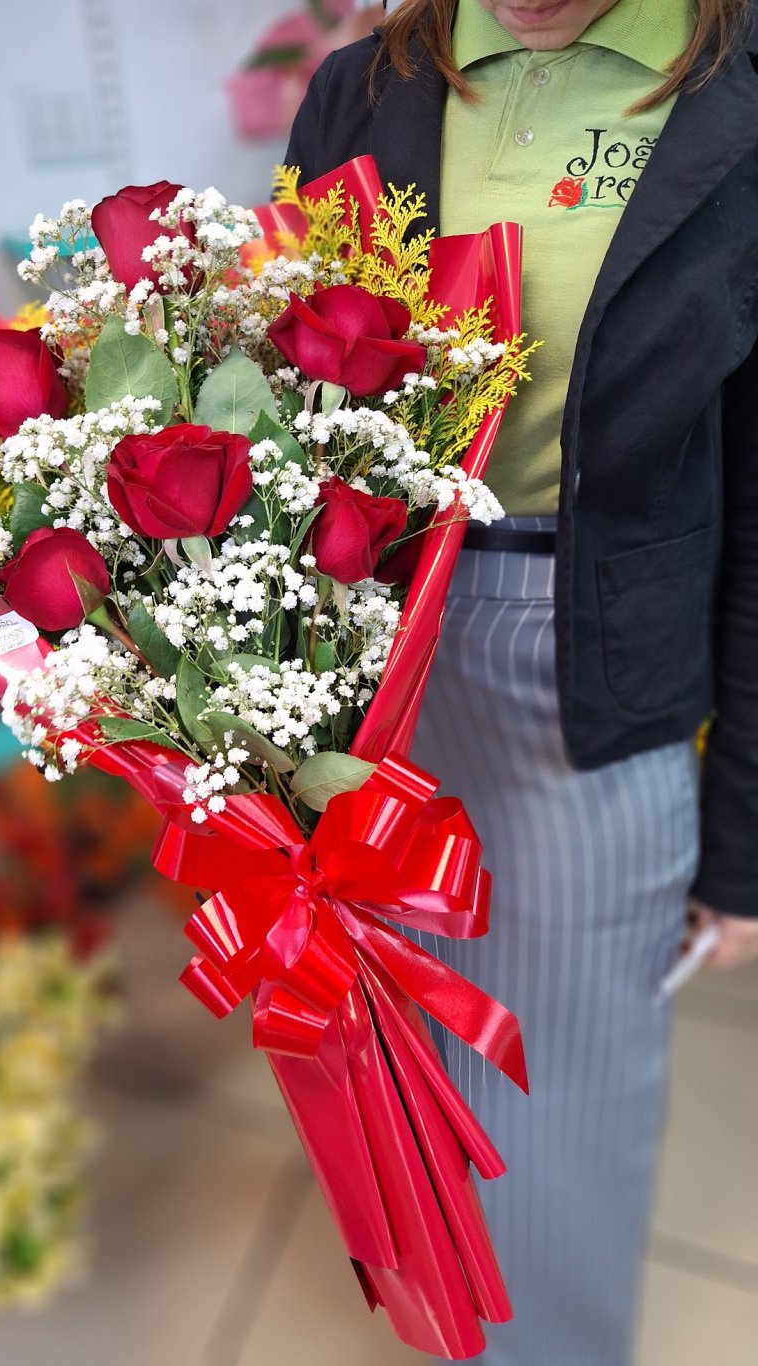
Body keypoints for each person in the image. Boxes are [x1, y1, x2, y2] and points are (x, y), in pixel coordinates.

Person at [286, 2, 758, 1362]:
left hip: (592, 658)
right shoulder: (358, 91)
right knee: (394, 1067)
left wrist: (742, 845)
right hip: (362, 660)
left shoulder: (732, 97)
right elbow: (279, 395)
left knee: (560, 1108)